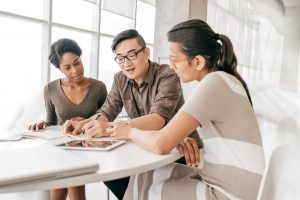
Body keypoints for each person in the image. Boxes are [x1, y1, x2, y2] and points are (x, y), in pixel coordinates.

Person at [109, 19, 265, 200]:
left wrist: (129, 131)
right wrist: (173, 137)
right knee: (148, 174)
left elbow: (160, 144)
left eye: (174, 60)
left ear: (198, 61)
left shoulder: (214, 83)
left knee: (143, 182)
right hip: (238, 185)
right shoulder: (227, 79)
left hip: (229, 194)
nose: (172, 66)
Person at [63, 29, 202, 199]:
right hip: (145, 148)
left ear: (146, 52)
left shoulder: (167, 75)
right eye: (120, 58)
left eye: (131, 55)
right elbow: (108, 109)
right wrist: (87, 124)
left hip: (180, 150)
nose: (126, 63)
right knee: (108, 172)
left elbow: (157, 119)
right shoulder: (120, 79)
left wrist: (107, 127)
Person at [28, 38, 107, 200]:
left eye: (77, 62)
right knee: (68, 176)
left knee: (71, 175)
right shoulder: (50, 89)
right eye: (67, 67)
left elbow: (106, 118)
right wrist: (43, 123)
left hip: (88, 149)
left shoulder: (99, 87)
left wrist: (85, 122)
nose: (75, 70)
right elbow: (51, 122)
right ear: (60, 69)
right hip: (60, 151)